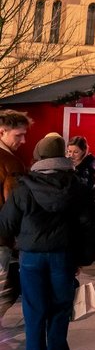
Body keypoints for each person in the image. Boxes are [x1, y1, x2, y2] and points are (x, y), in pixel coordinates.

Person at [0, 133, 95, 350]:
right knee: (59, 315)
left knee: (33, 316)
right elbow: (88, 226)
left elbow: (6, 225)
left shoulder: (23, 188)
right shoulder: (78, 187)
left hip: (31, 258)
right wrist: (83, 259)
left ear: (38, 156)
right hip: (63, 258)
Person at [0, 110, 30, 320]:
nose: (23, 140)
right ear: (2, 132)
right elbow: (16, 203)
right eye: (18, 135)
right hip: (2, 237)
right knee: (5, 292)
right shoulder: (11, 163)